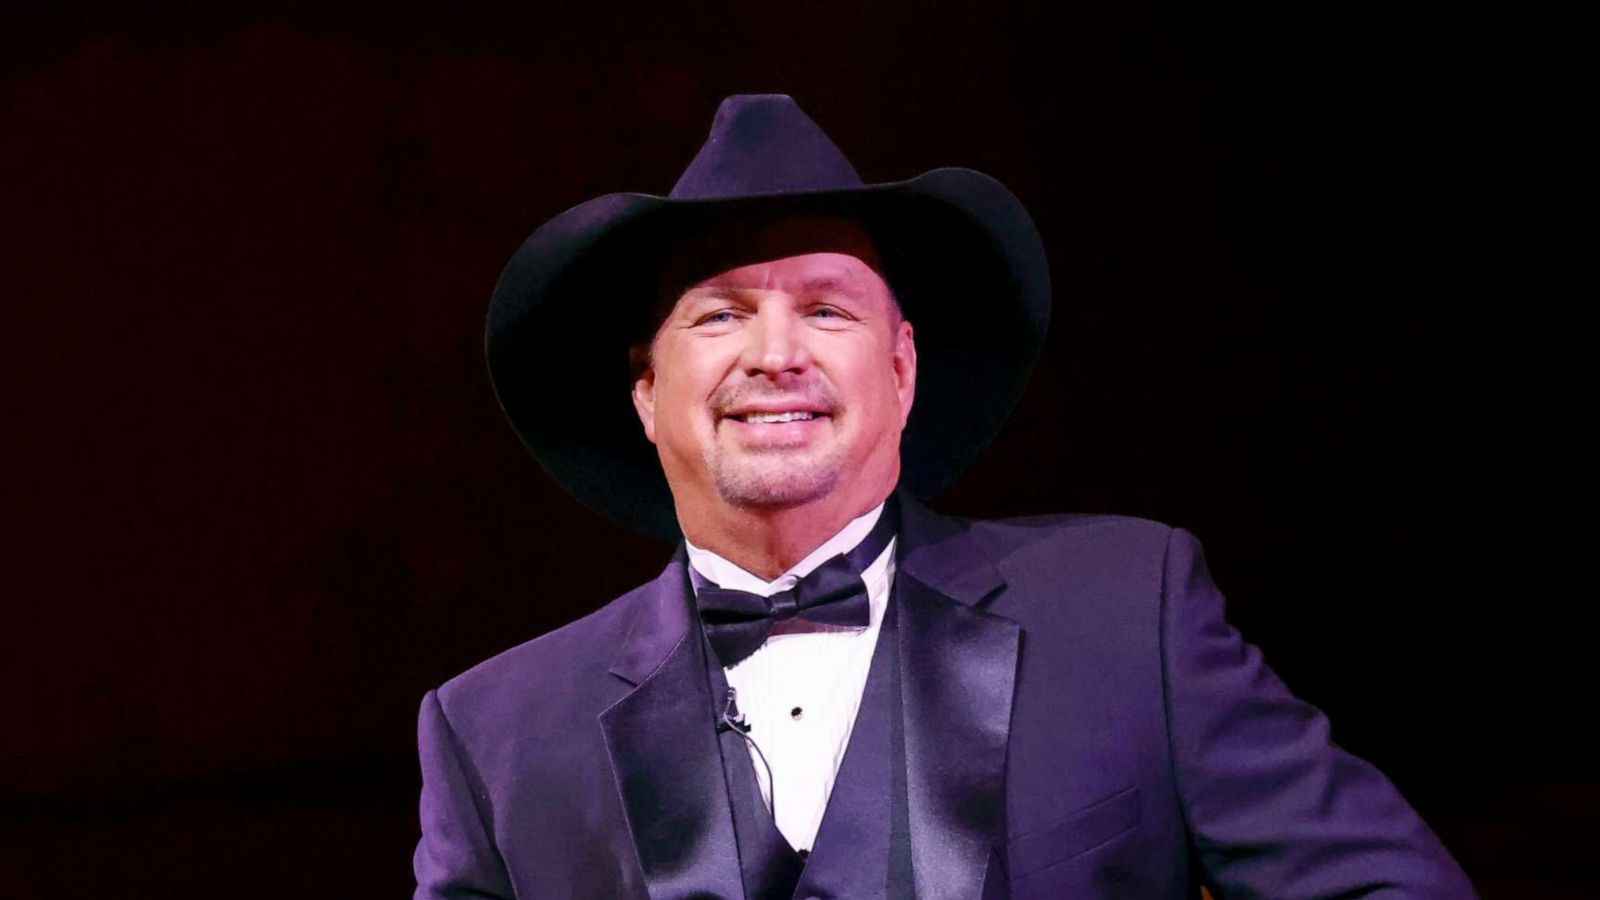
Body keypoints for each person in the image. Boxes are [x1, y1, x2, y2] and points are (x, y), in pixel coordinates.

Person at [413, 94, 1475, 899]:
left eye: (828, 311)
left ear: (903, 371)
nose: (775, 354)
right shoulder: (495, 730)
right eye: (721, 314)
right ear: (646, 392)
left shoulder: (1125, 611)